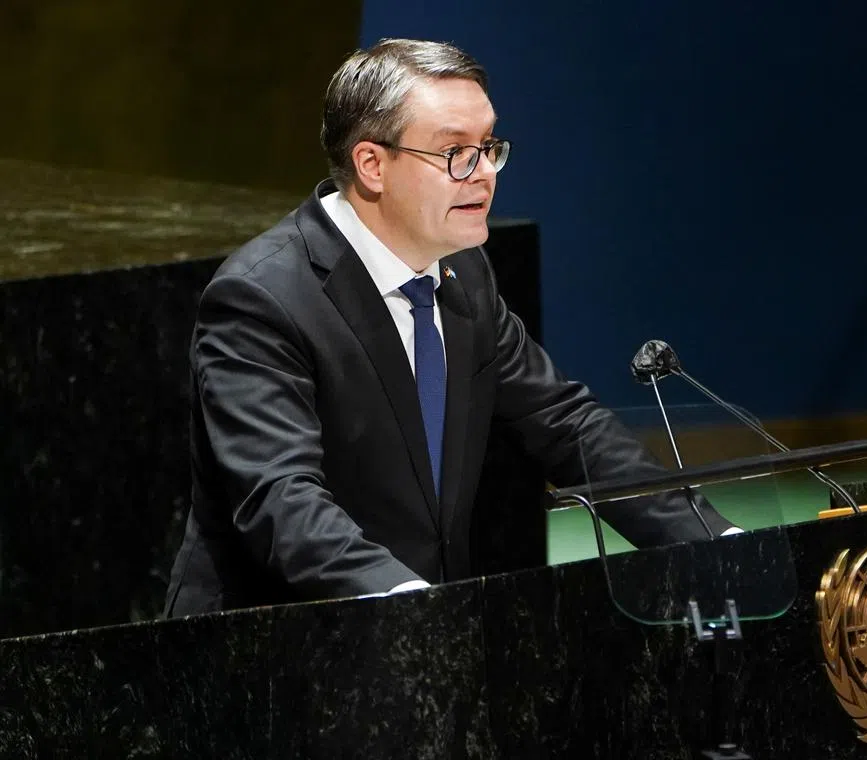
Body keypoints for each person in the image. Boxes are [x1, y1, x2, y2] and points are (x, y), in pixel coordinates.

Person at [164, 38, 737, 617]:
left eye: (489, 147)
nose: (485, 173)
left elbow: (566, 424)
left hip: (426, 639)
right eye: (455, 152)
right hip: (267, 652)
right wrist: (409, 600)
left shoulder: (464, 272)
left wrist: (714, 541)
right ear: (372, 164)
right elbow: (279, 498)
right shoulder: (262, 298)